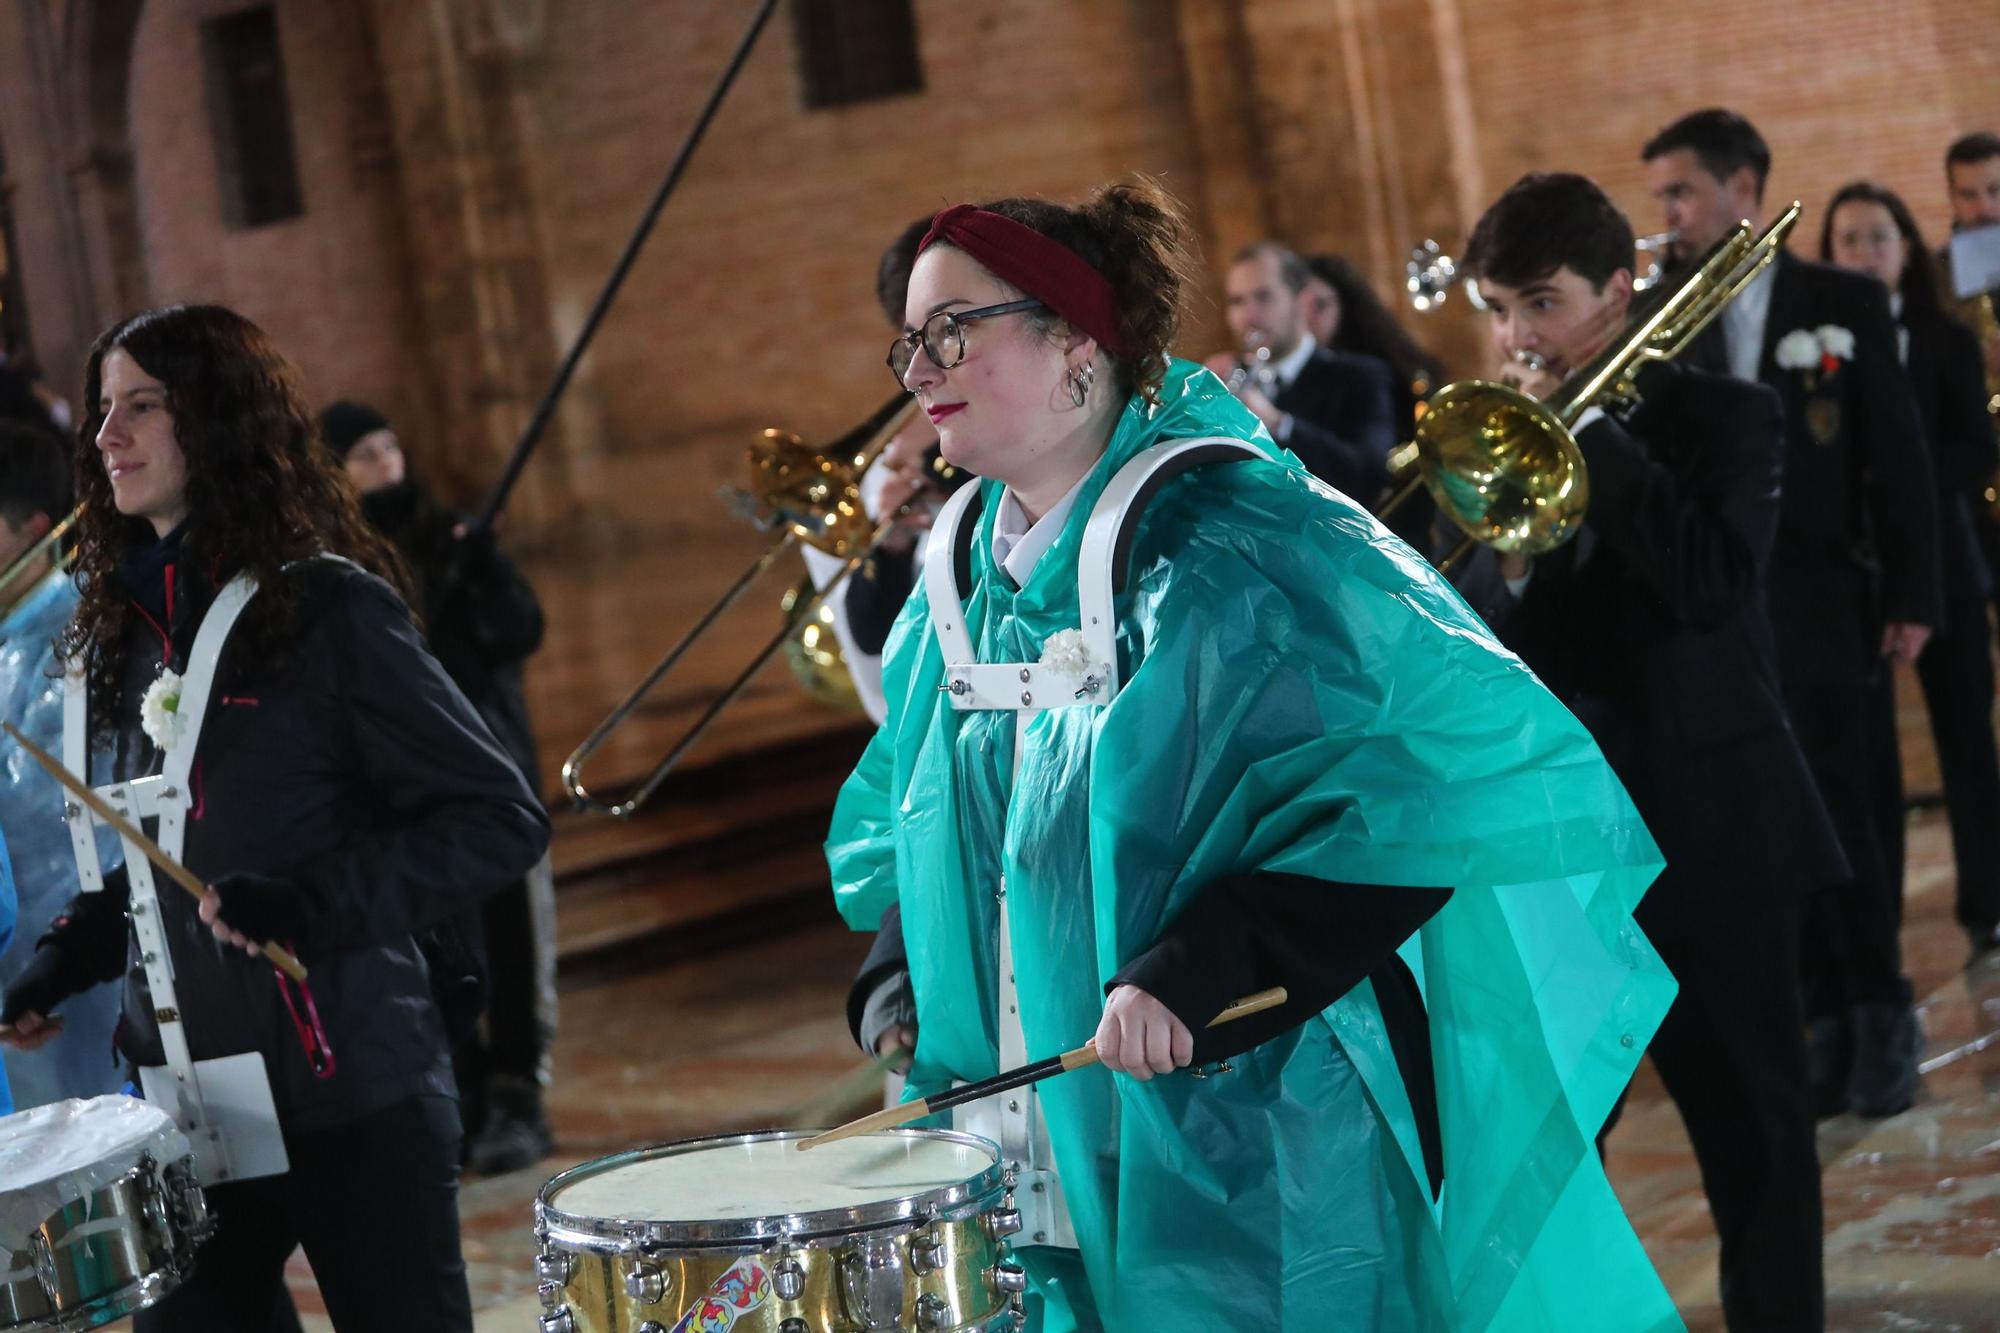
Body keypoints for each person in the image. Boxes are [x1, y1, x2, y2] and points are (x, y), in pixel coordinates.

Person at [829, 182, 1680, 1329]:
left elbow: (1424, 785)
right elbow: (921, 802)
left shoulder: (1229, 544)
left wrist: (1201, 963)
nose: (917, 370)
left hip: (1250, 1126)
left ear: (1078, 343)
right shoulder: (957, 571)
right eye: (907, 344)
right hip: (1016, 1140)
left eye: (950, 332)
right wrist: (898, 963)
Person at [0, 304, 549, 1331]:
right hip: (185, 1108)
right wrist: (73, 951)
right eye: (101, 410)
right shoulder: (122, 635)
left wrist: (311, 901)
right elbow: (169, 847)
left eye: (142, 406)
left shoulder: (328, 608)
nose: (106, 435)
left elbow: (495, 817)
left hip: (351, 1083)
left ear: (216, 419)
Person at [1456, 171, 1843, 1331]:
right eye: (1497, 309)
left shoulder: (1727, 416)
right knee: (1545, 1145)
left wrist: (1590, 441)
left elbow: (1711, 583)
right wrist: (1510, 553)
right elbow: (1474, 628)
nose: (1516, 337)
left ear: (1617, 291)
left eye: (1539, 302)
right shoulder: (1490, 439)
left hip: (1714, 834)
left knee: (1755, 1147)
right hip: (1568, 853)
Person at [1644, 108, 1942, 1116]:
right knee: (1770, 827)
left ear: (1739, 188)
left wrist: (1911, 593)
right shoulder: (1658, 313)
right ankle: (1815, 1023)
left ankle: (1879, 1012)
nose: (1668, 215)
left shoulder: (1839, 300)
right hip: (1720, 615)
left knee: (1848, 813)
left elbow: (1896, 459)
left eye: (1679, 192)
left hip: (1824, 604)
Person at [317, 398, 558, 1173]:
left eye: (390, 445)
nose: (385, 462)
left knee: (514, 941)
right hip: (405, 803)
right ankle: (472, 1091)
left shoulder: (454, 534)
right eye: (364, 453)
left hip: (490, 779)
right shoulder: (340, 565)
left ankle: (521, 1089)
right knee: (447, 952)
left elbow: (519, 629)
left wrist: (481, 570)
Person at [1826, 181, 2000, 970]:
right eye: (1849, 241)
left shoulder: (1944, 339)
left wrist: (1901, 476)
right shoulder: (1822, 347)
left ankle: (1988, 903)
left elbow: (1975, 447)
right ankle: (1871, 931)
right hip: (1856, 577)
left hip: (1945, 565)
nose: (1864, 254)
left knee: (1967, 740)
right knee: (1861, 758)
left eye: (1878, 238)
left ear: (1907, 247)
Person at [0, 418, 127, 1110]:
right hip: (18, 963)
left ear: (35, 529)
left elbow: (60, 807)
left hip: (84, 953)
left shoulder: (85, 631)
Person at [1207, 240, 1398, 500]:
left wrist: (1277, 423)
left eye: (1263, 297)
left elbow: (1369, 475)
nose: (1248, 316)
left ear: (1300, 300)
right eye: (1237, 301)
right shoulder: (1227, 380)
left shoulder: (1361, 377)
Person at [1303, 251, 1448, 434]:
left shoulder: (1377, 366)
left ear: (1346, 303)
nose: (1309, 318)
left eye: (1320, 305)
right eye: (1300, 308)